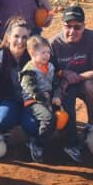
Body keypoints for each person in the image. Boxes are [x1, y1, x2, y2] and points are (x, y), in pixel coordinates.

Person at [50, 5, 93, 137]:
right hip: (63, 84)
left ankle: (90, 123)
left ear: (84, 26)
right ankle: (63, 130)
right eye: (68, 26)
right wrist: (64, 74)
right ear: (62, 25)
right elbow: (48, 73)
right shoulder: (53, 43)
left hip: (84, 81)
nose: (72, 31)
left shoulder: (92, 37)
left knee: (92, 86)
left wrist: (77, 77)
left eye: (77, 27)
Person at [0, 17, 36, 144]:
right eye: (16, 36)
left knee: (32, 124)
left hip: (30, 102)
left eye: (25, 37)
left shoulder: (35, 57)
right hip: (9, 101)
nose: (20, 41)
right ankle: (15, 125)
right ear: (9, 37)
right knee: (4, 117)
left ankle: (25, 127)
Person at [19, 35, 60, 163]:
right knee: (48, 118)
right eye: (43, 52)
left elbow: (56, 83)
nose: (47, 55)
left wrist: (57, 95)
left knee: (63, 116)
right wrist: (44, 100)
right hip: (33, 101)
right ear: (32, 53)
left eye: (48, 52)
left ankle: (66, 142)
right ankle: (37, 142)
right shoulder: (29, 70)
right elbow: (31, 89)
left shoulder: (50, 66)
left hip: (48, 99)